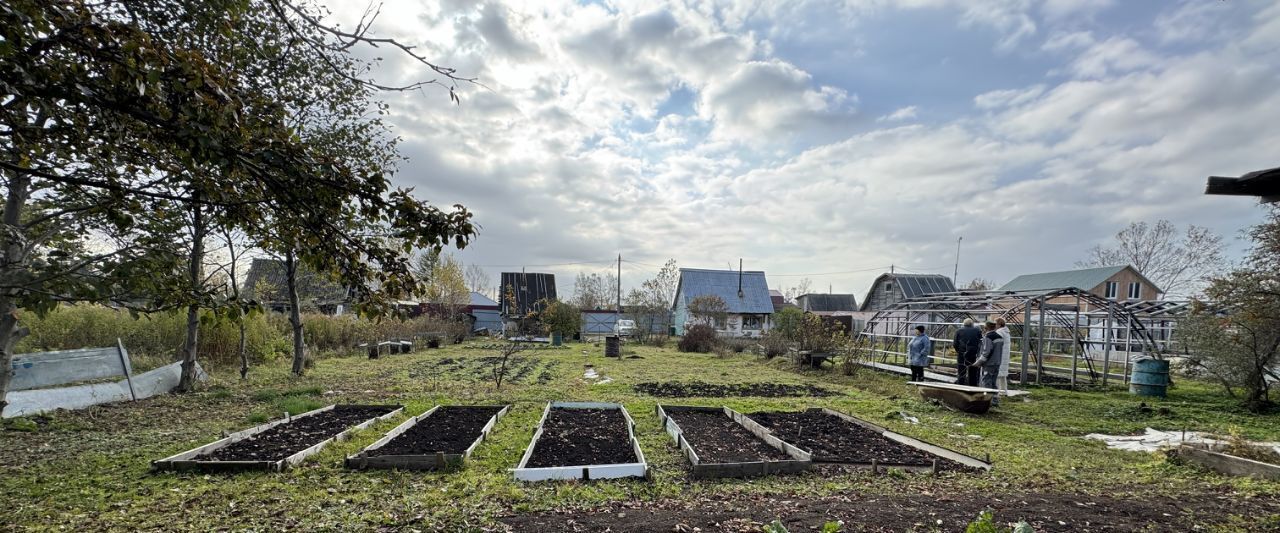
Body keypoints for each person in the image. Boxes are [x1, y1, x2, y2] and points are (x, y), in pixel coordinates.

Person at [975, 320, 1005, 406]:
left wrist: (978, 362)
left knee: (986, 382)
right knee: (993, 382)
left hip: (989, 363)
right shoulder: (999, 337)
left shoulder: (988, 337)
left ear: (986, 328)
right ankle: (995, 400)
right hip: (997, 362)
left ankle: (987, 401)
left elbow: (986, 352)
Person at [952, 318, 982, 386]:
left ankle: (960, 386)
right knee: (973, 372)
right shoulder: (977, 330)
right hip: (973, 354)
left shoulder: (958, 331)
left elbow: (955, 344)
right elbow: (980, 342)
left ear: (964, 324)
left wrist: (959, 351)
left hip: (962, 353)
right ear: (972, 324)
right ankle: (973, 387)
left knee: (961, 372)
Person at [995, 317, 1012, 393]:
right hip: (1005, 355)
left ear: (999, 324)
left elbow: (997, 343)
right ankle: (1004, 390)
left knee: (997, 375)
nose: (995, 325)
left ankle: (996, 391)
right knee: (1003, 375)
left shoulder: (999, 332)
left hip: (1000, 355)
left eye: (996, 324)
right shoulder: (1006, 332)